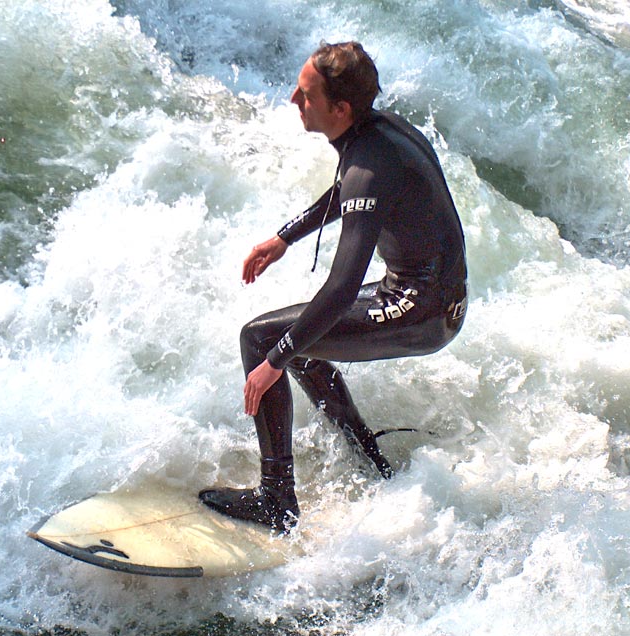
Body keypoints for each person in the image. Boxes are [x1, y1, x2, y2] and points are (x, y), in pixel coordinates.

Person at [199, 41, 468, 532]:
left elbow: (341, 289)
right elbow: (349, 190)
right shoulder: (376, 133)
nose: (293, 101)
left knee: (263, 339)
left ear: (339, 108)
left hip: (419, 308)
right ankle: (367, 453)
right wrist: (285, 237)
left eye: (305, 95)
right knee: (300, 335)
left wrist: (271, 364)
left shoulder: (369, 163)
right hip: (434, 297)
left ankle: (276, 500)